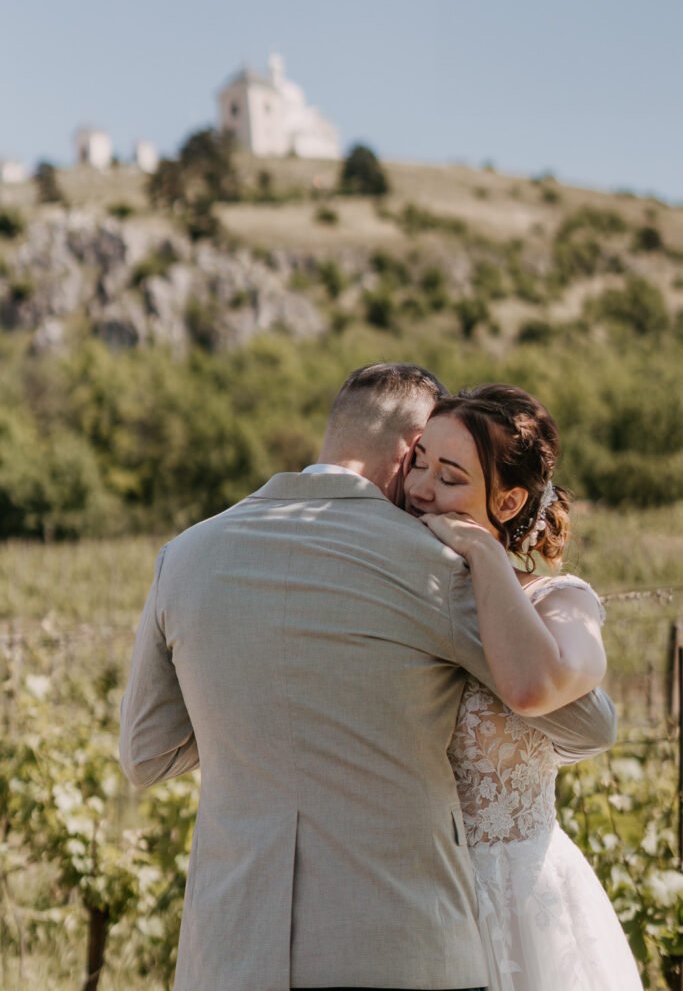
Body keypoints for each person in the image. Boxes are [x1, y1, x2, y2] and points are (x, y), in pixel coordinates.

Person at [120, 363, 617, 991]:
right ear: (412, 450)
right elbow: (583, 721)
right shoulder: (434, 566)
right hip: (399, 947)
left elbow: (146, 754)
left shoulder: (184, 556)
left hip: (229, 954)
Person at [404, 383, 642, 990]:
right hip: (409, 898)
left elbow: (535, 688)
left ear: (507, 502)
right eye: (418, 462)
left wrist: (482, 554)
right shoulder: (398, 590)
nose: (420, 489)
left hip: (521, 902)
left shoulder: (559, 601)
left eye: (449, 477)